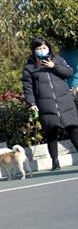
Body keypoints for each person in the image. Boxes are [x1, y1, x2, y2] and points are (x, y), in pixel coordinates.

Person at [22, 37, 78, 170]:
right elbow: (27, 87)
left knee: (74, 129)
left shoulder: (57, 59)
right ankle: (55, 160)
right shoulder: (29, 67)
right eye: (39, 48)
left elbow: (69, 72)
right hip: (46, 104)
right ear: (34, 50)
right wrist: (31, 103)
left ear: (48, 47)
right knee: (51, 132)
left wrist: (54, 67)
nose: (42, 50)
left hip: (64, 102)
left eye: (44, 47)